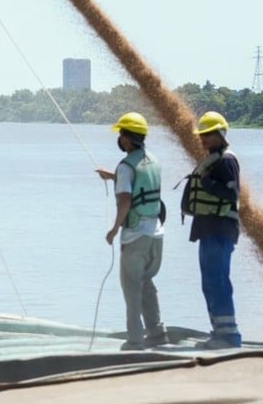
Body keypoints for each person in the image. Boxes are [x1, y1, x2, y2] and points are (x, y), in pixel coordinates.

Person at [96, 112, 167, 350]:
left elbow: (125, 200)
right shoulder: (154, 160)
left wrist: (114, 230)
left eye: (121, 134)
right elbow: (141, 182)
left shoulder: (125, 167)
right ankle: (157, 332)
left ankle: (135, 339)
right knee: (146, 282)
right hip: (156, 234)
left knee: (131, 287)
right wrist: (113, 176)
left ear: (127, 138)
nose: (120, 138)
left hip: (135, 234)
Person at [182, 111, 242, 349]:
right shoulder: (213, 158)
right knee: (209, 282)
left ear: (220, 134)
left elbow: (231, 194)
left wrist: (207, 183)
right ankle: (219, 332)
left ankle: (229, 335)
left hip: (220, 230)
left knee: (217, 280)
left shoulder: (226, 161)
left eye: (208, 134)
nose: (203, 139)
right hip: (208, 230)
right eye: (201, 135)